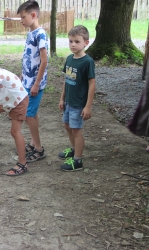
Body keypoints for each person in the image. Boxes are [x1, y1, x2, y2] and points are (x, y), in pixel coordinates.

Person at [58, 25, 96, 171]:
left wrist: (88, 106)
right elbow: (66, 81)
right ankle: (73, 149)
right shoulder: (69, 59)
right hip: (69, 102)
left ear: (86, 42)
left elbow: (92, 84)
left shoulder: (87, 62)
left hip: (79, 103)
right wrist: (62, 98)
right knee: (68, 126)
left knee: (76, 129)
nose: (73, 44)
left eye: (77, 41)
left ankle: (78, 160)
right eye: (70, 41)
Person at [15, 1, 48, 163]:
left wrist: (36, 83)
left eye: (23, 17)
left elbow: (43, 61)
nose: (21, 20)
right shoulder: (30, 33)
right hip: (27, 81)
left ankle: (39, 149)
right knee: (33, 113)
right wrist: (22, 76)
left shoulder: (40, 34)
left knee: (28, 114)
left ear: (33, 15)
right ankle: (34, 142)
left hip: (35, 84)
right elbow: (29, 57)